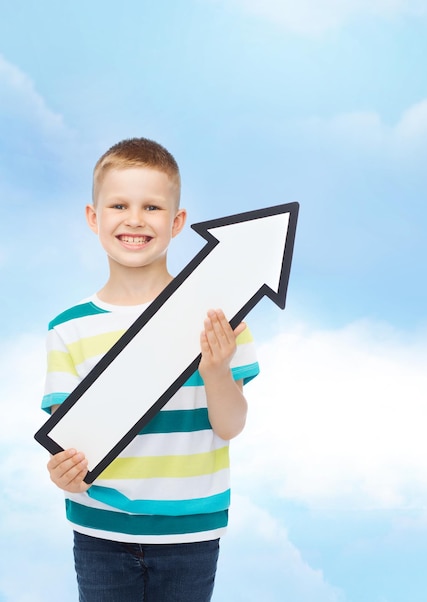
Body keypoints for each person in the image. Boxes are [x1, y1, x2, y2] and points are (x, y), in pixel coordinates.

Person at [42, 137, 259, 601]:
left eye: (153, 207)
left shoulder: (219, 316)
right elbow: (68, 444)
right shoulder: (68, 330)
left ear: (177, 222)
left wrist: (217, 370)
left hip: (190, 531)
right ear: (93, 217)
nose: (135, 219)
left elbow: (231, 424)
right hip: (99, 530)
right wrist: (62, 471)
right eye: (119, 204)